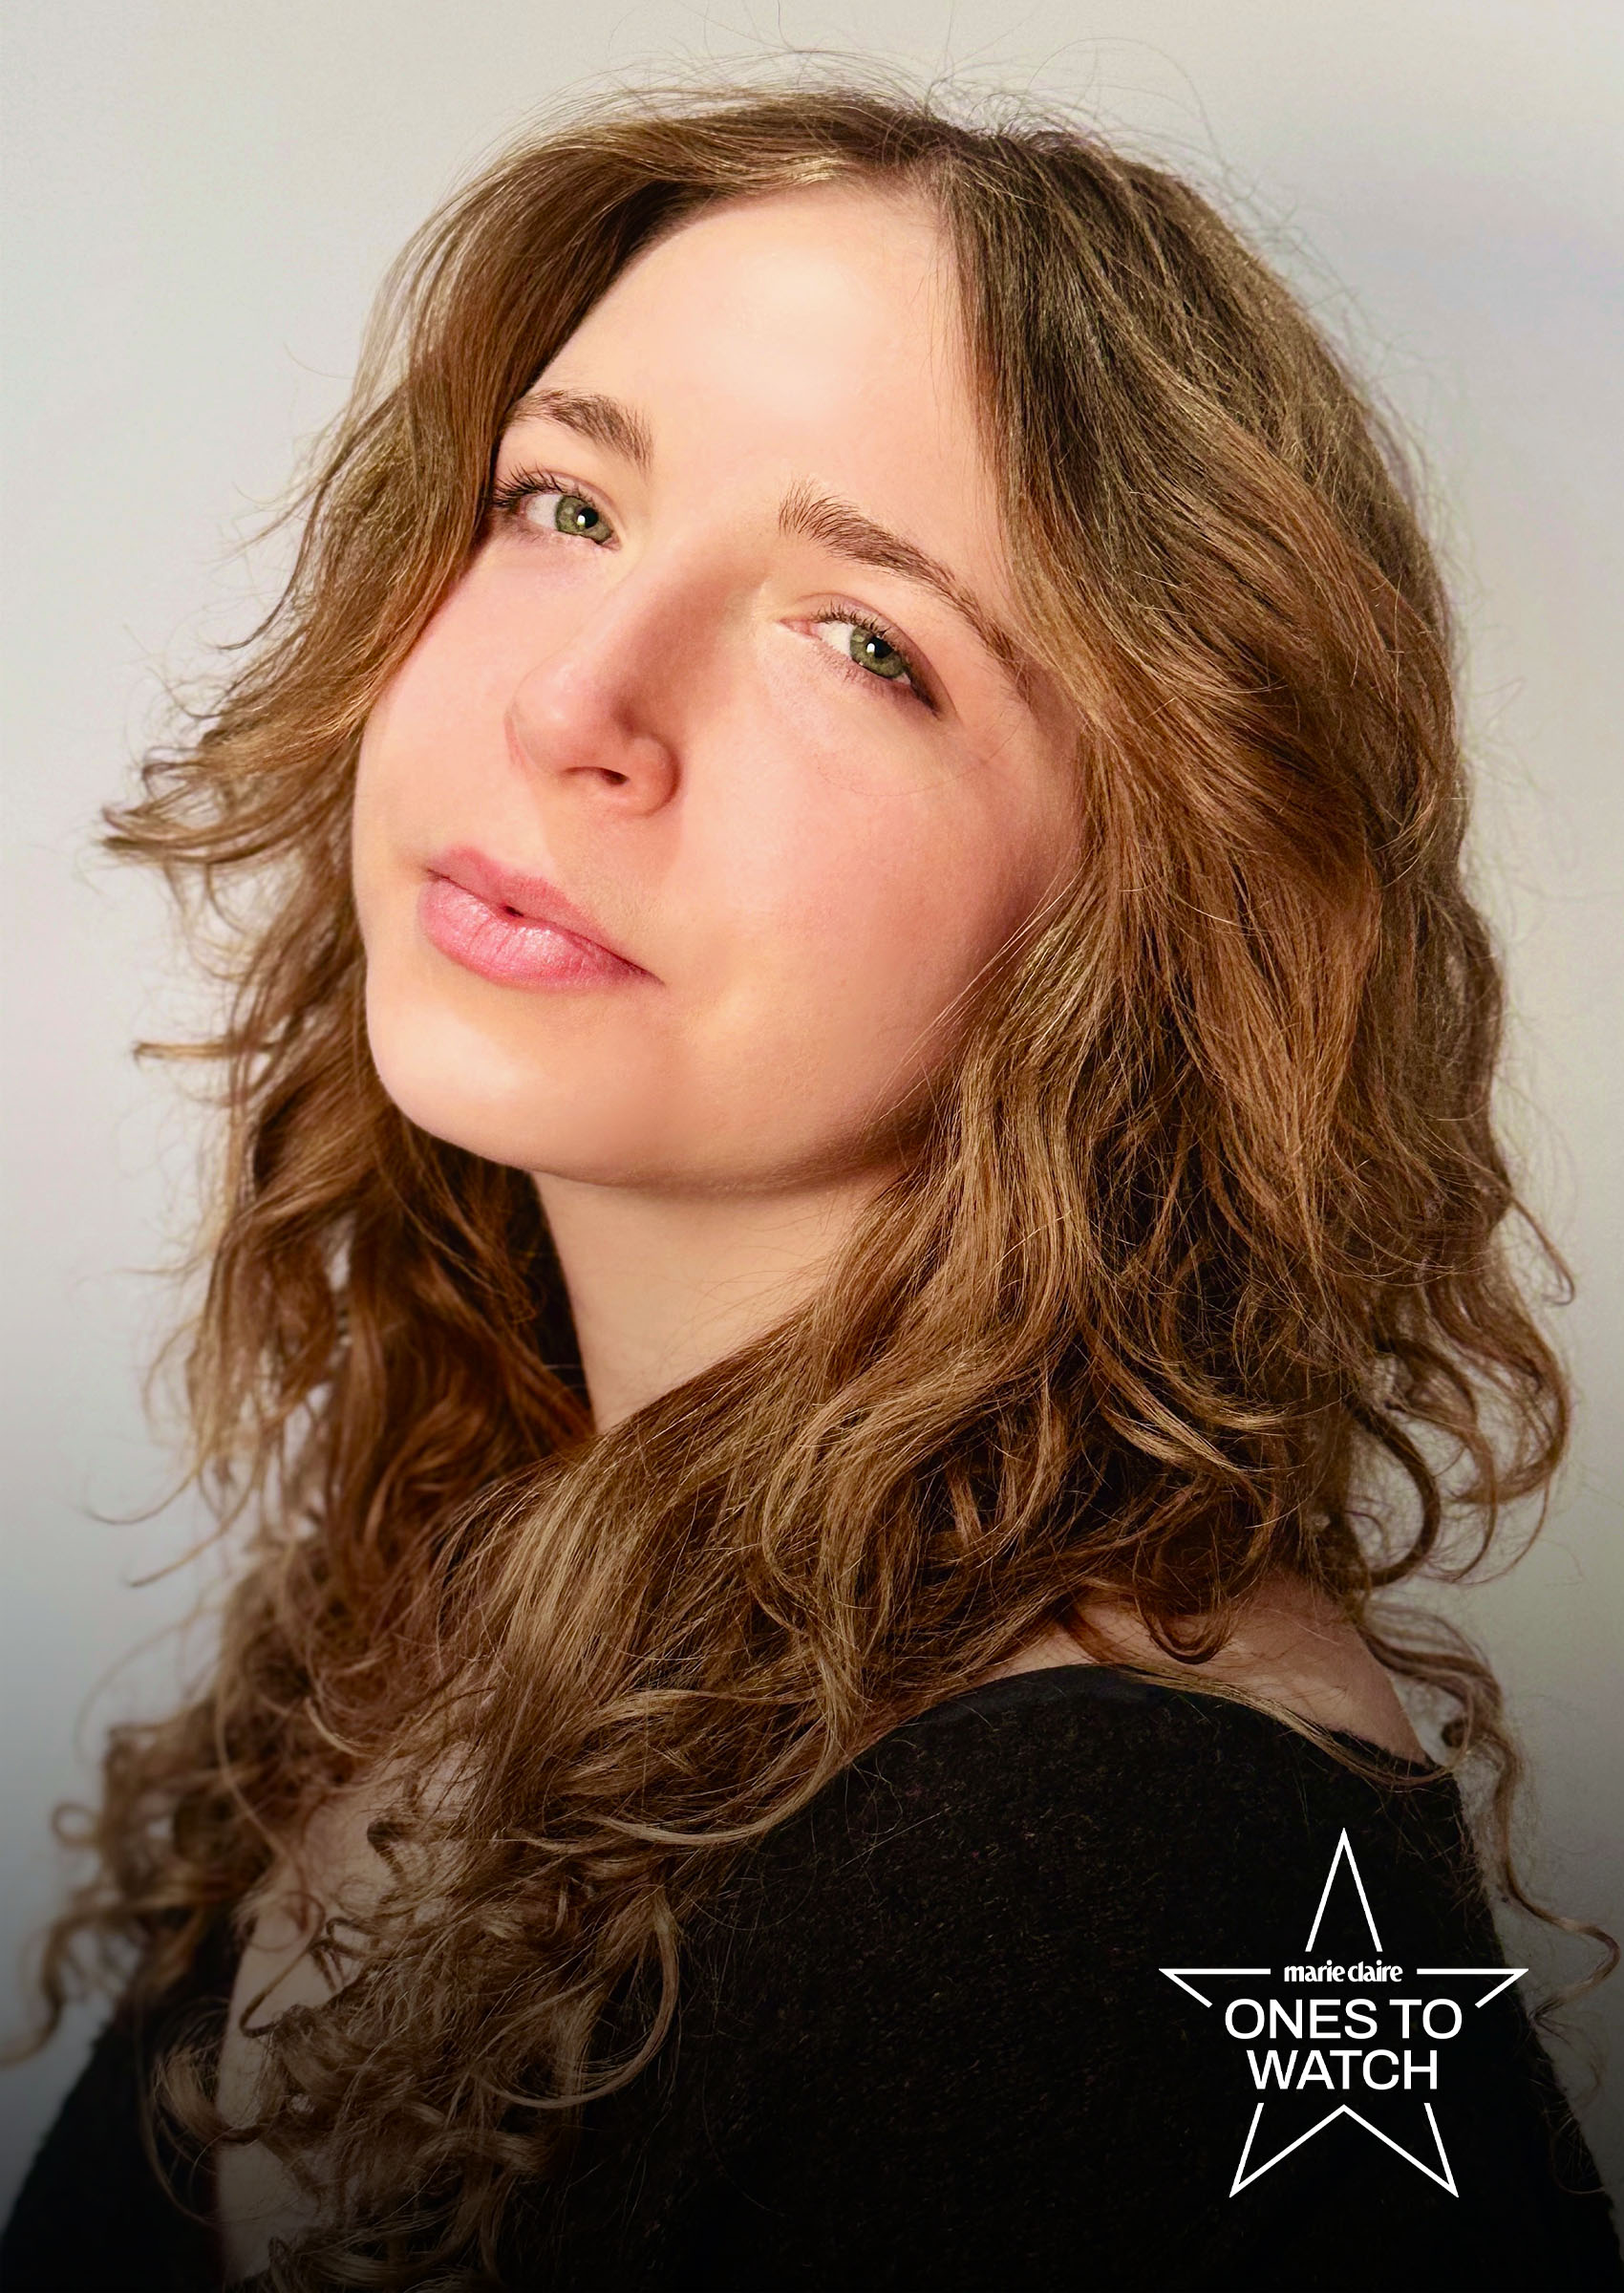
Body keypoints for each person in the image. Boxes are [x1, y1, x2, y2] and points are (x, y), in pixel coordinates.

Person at [2, 76, 1619, 2293]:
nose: (580, 698)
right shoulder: (491, 1591)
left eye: (866, 642)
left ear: (1156, 904)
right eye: (559, 504)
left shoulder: (1116, 1877)